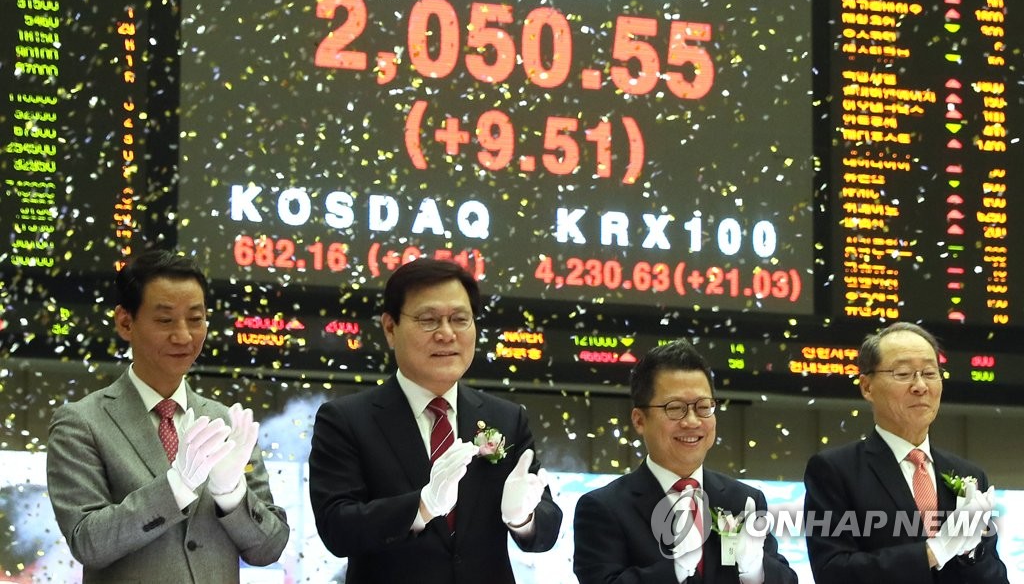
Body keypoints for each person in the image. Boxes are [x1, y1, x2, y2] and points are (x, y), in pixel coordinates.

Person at [308, 257, 562, 583]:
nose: (446, 334)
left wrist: (523, 518)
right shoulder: (346, 420)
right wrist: (422, 506)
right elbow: (337, 528)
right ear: (390, 328)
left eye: (460, 319)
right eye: (428, 320)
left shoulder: (506, 418)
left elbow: (546, 529)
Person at [46, 249, 290, 583]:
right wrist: (177, 486)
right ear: (125, 322)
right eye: (165, 320)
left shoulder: (227, 423)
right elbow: (88, 542)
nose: (184, 336)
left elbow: (269, 549)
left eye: (196, 319)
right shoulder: (82, 422)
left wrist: (231, 494)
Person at [574, 339, 798, 584]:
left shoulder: (743, 501)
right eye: (675, 408)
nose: (692, 421)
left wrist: (755, 571)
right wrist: (676, 570)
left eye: (703, 407)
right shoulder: (603, 508)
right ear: (639, 420)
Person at [803, 321, 1008, 583]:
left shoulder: (969, 475)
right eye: (903, 374)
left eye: (930, 373)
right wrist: (932, 552)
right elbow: (832, 572)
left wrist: (970, 551)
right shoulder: (834, 470)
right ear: (867, 387)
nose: (920, 386)